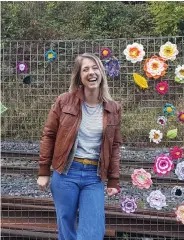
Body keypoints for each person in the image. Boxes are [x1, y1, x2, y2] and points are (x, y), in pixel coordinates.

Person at [37, 53, 122, 240]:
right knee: (66, 227)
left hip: (94, 176)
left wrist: (114, 179)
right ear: (79, 76)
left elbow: (115, 146)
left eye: (95, 68)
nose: (91, 72)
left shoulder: (113, 108)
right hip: (66, 172)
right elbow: (49, 135)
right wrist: (43, 171)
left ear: (101, 72)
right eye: (86, 69)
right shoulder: (64, 101)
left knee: (93, 232)